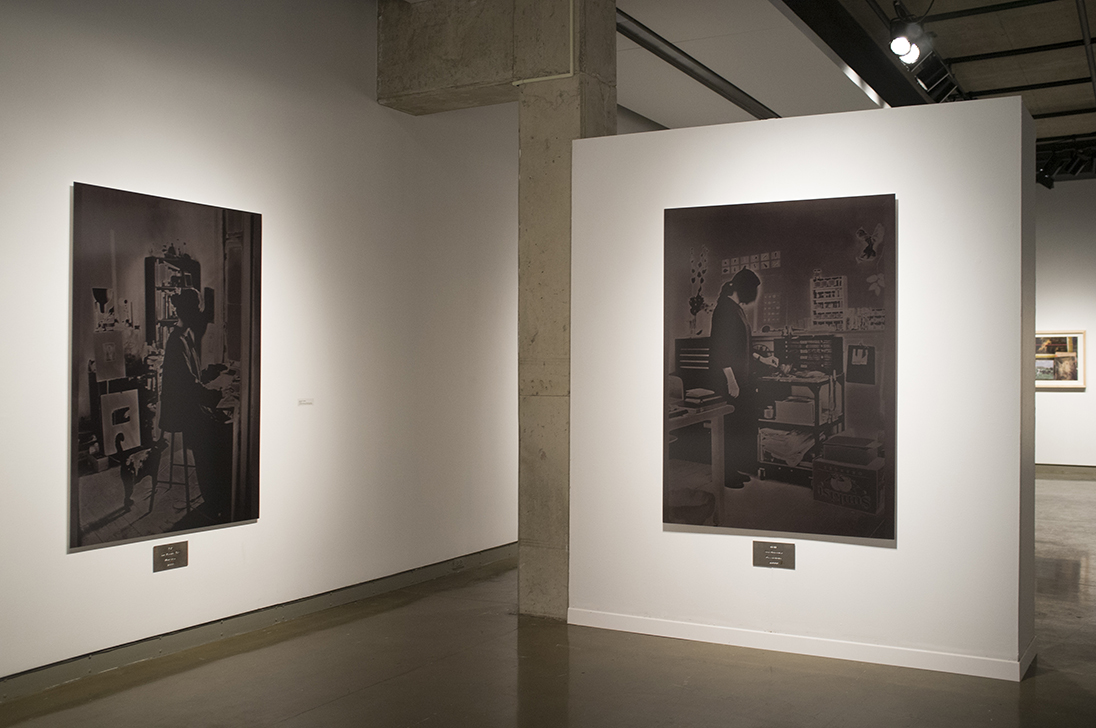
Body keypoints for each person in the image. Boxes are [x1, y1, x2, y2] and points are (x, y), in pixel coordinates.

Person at [159, 287, 234, 521]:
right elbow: (188, 386)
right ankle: (214, 501)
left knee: (220, 426)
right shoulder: (176, 342)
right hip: (180, 409)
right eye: (196, 310)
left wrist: (213, 371)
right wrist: (216, 395)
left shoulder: (186, 336)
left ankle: (220, 495)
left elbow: (193, 376)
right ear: (186, 312)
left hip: (189, 402)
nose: (199, 315)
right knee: (214, 435)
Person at [708, 269, 770, 489]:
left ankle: (732, 469)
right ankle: (725, 473)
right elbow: (720, 349)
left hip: (740, 378)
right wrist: (731, 380)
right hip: (729, 379)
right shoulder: (724, 309)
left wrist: (762, 358)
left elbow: (742, 346)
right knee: (729, 427)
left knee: (737, 426)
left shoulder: (737, 309)